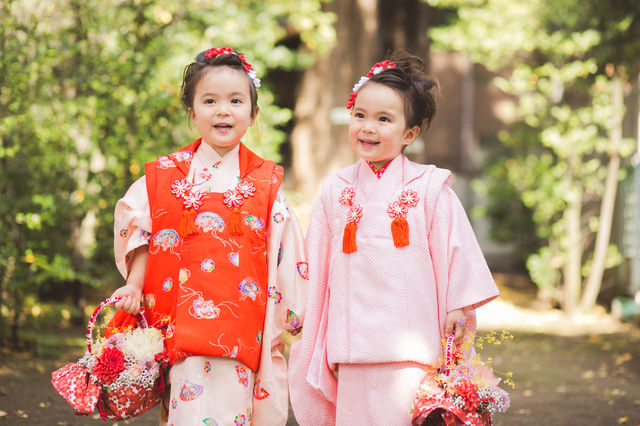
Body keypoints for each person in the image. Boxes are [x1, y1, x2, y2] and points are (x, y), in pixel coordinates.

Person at [288, 52, 499, 425]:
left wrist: (456, 304)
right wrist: (304, 312)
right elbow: (316, 264)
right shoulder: (336, 190)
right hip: (351, 347)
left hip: (412, 348)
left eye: (383, 119)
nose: (368, 127)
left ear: (409, 134)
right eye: (360, 115)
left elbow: (456, 251)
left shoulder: (431, 187)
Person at [109, 47, 307, 425]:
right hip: (180, 329)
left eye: (236, 100)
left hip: (241, 331)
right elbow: (140, 230)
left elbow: (286, 252)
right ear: (192, 112)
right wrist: (135, 284)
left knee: (234, 410)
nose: (223, 110)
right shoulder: (164, 176)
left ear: (252, 114)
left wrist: (289, 318)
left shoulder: (265, 183)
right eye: (210, 100)